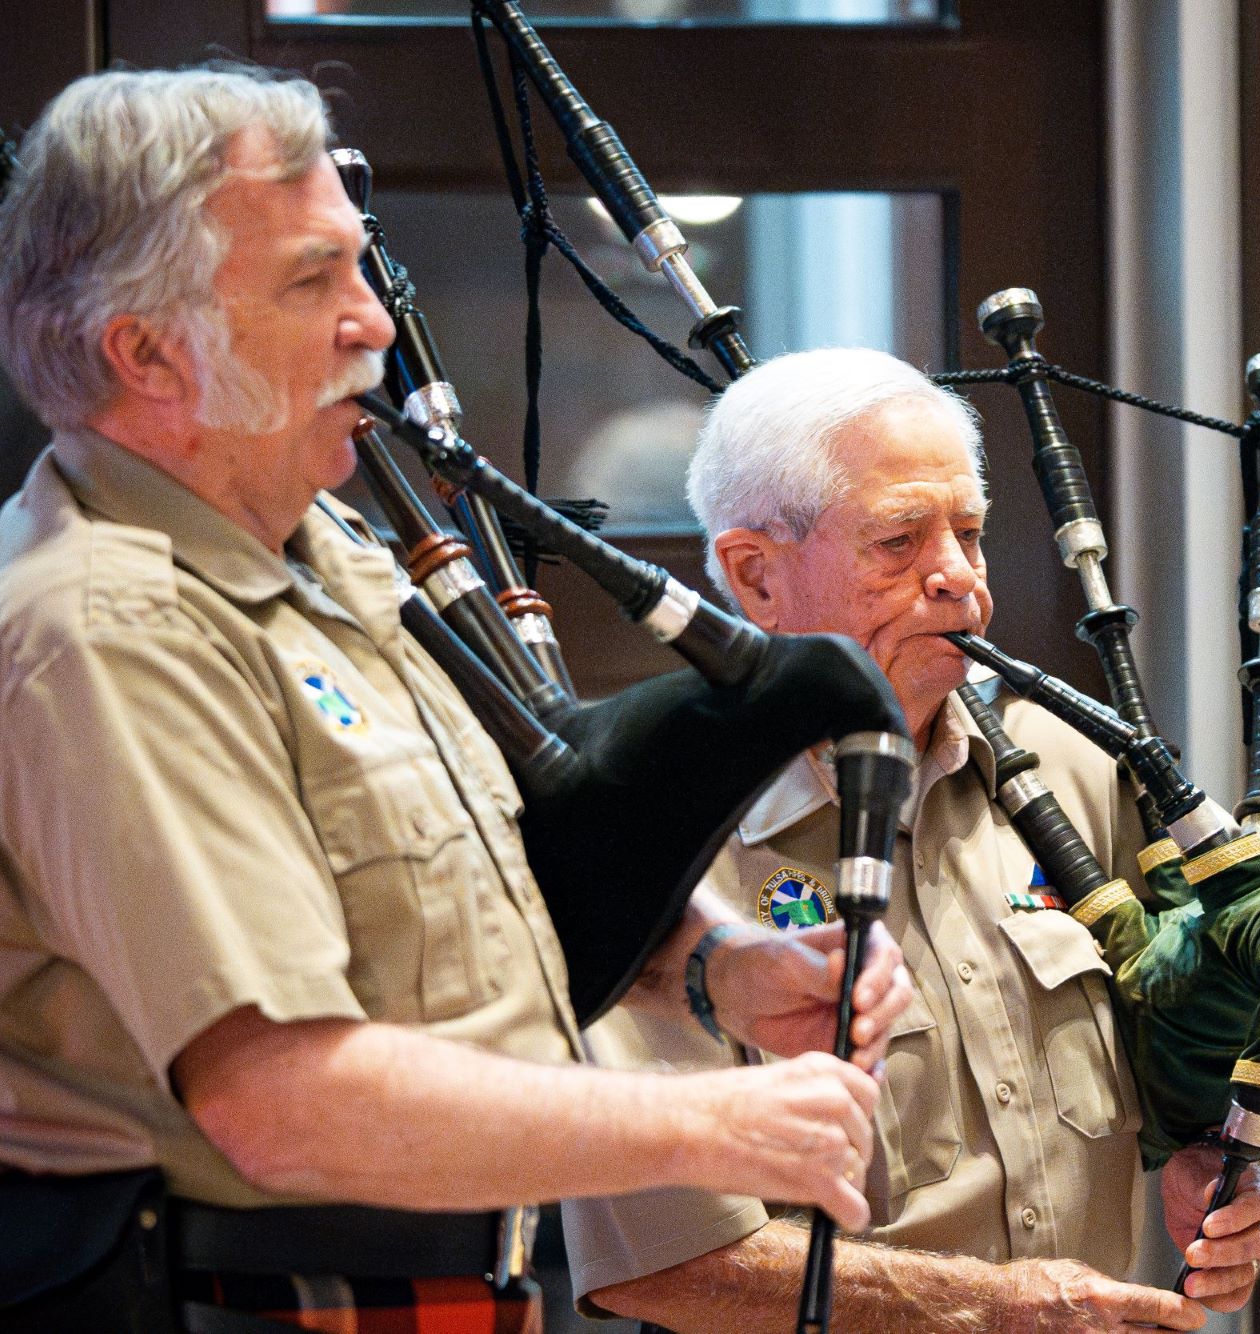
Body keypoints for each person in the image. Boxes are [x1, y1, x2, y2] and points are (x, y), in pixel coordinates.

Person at [0, 65, 910, 1329]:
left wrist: (717, 966)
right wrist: (704, 1122)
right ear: (146, 351)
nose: (373, 323)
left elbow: (471, 887)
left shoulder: (322, 555)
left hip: (437, 1284)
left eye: (358, 268)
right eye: (312, 280)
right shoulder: (111, 633)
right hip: (241, 1297)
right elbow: (281, 1099)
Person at [563, 346, 1260, 1333]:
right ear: (755, 575)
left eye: (969, 533)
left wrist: (1242, 1151)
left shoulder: (1070, 763)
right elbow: (666, 1265)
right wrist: (991, 1310)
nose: (957, 578)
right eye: (898, 541)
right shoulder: (651, 831)